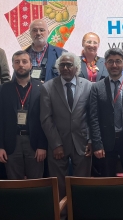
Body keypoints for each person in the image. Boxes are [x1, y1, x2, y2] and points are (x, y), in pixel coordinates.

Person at [40, 52, 93, 203]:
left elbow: (92, 116)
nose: (65, 68)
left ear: (76, 67)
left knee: (82, 184)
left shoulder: (88, 86)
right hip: (58, 143)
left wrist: (90, 140)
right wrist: (56, 144)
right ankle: (62, 216)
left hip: (82, 143)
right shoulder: (48, 87)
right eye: (62, 65)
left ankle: (80, 213)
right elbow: (46, 118)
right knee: (59, 186)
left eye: (69, 65)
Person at [88, 48, 123, 177]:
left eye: (118, 61)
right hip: (106, 143)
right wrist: (97, 145)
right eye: (111, 61)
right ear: (105, 64)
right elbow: (94, 118)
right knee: (108, 182)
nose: (114, 65)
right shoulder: (97, 87)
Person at [0, 51, 46, 180]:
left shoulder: (42, 88)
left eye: (24, 62)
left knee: (36, 182)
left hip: (34, 142)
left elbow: (45, 119)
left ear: (31, 65)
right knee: (14, 183)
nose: (21, 65)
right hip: (11, 142)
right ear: (12, 65)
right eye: (17, 62)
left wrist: (42, 146)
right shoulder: (2, 89)